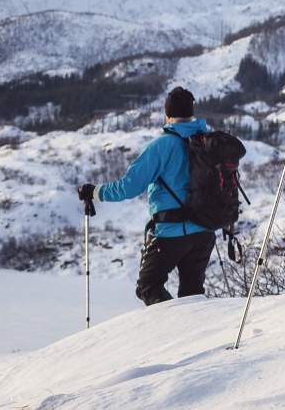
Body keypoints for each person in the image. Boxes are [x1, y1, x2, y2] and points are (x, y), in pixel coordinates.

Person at [78, 87, 217, 306]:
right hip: (205, 230)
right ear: (191, 113)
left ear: (167, 115)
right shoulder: (207, 141)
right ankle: (197, 336)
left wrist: (96, 192)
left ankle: (177, 332)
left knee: (148, 286)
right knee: (192, 294)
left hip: (172, 232)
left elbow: (130, 186)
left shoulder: (162, 146)